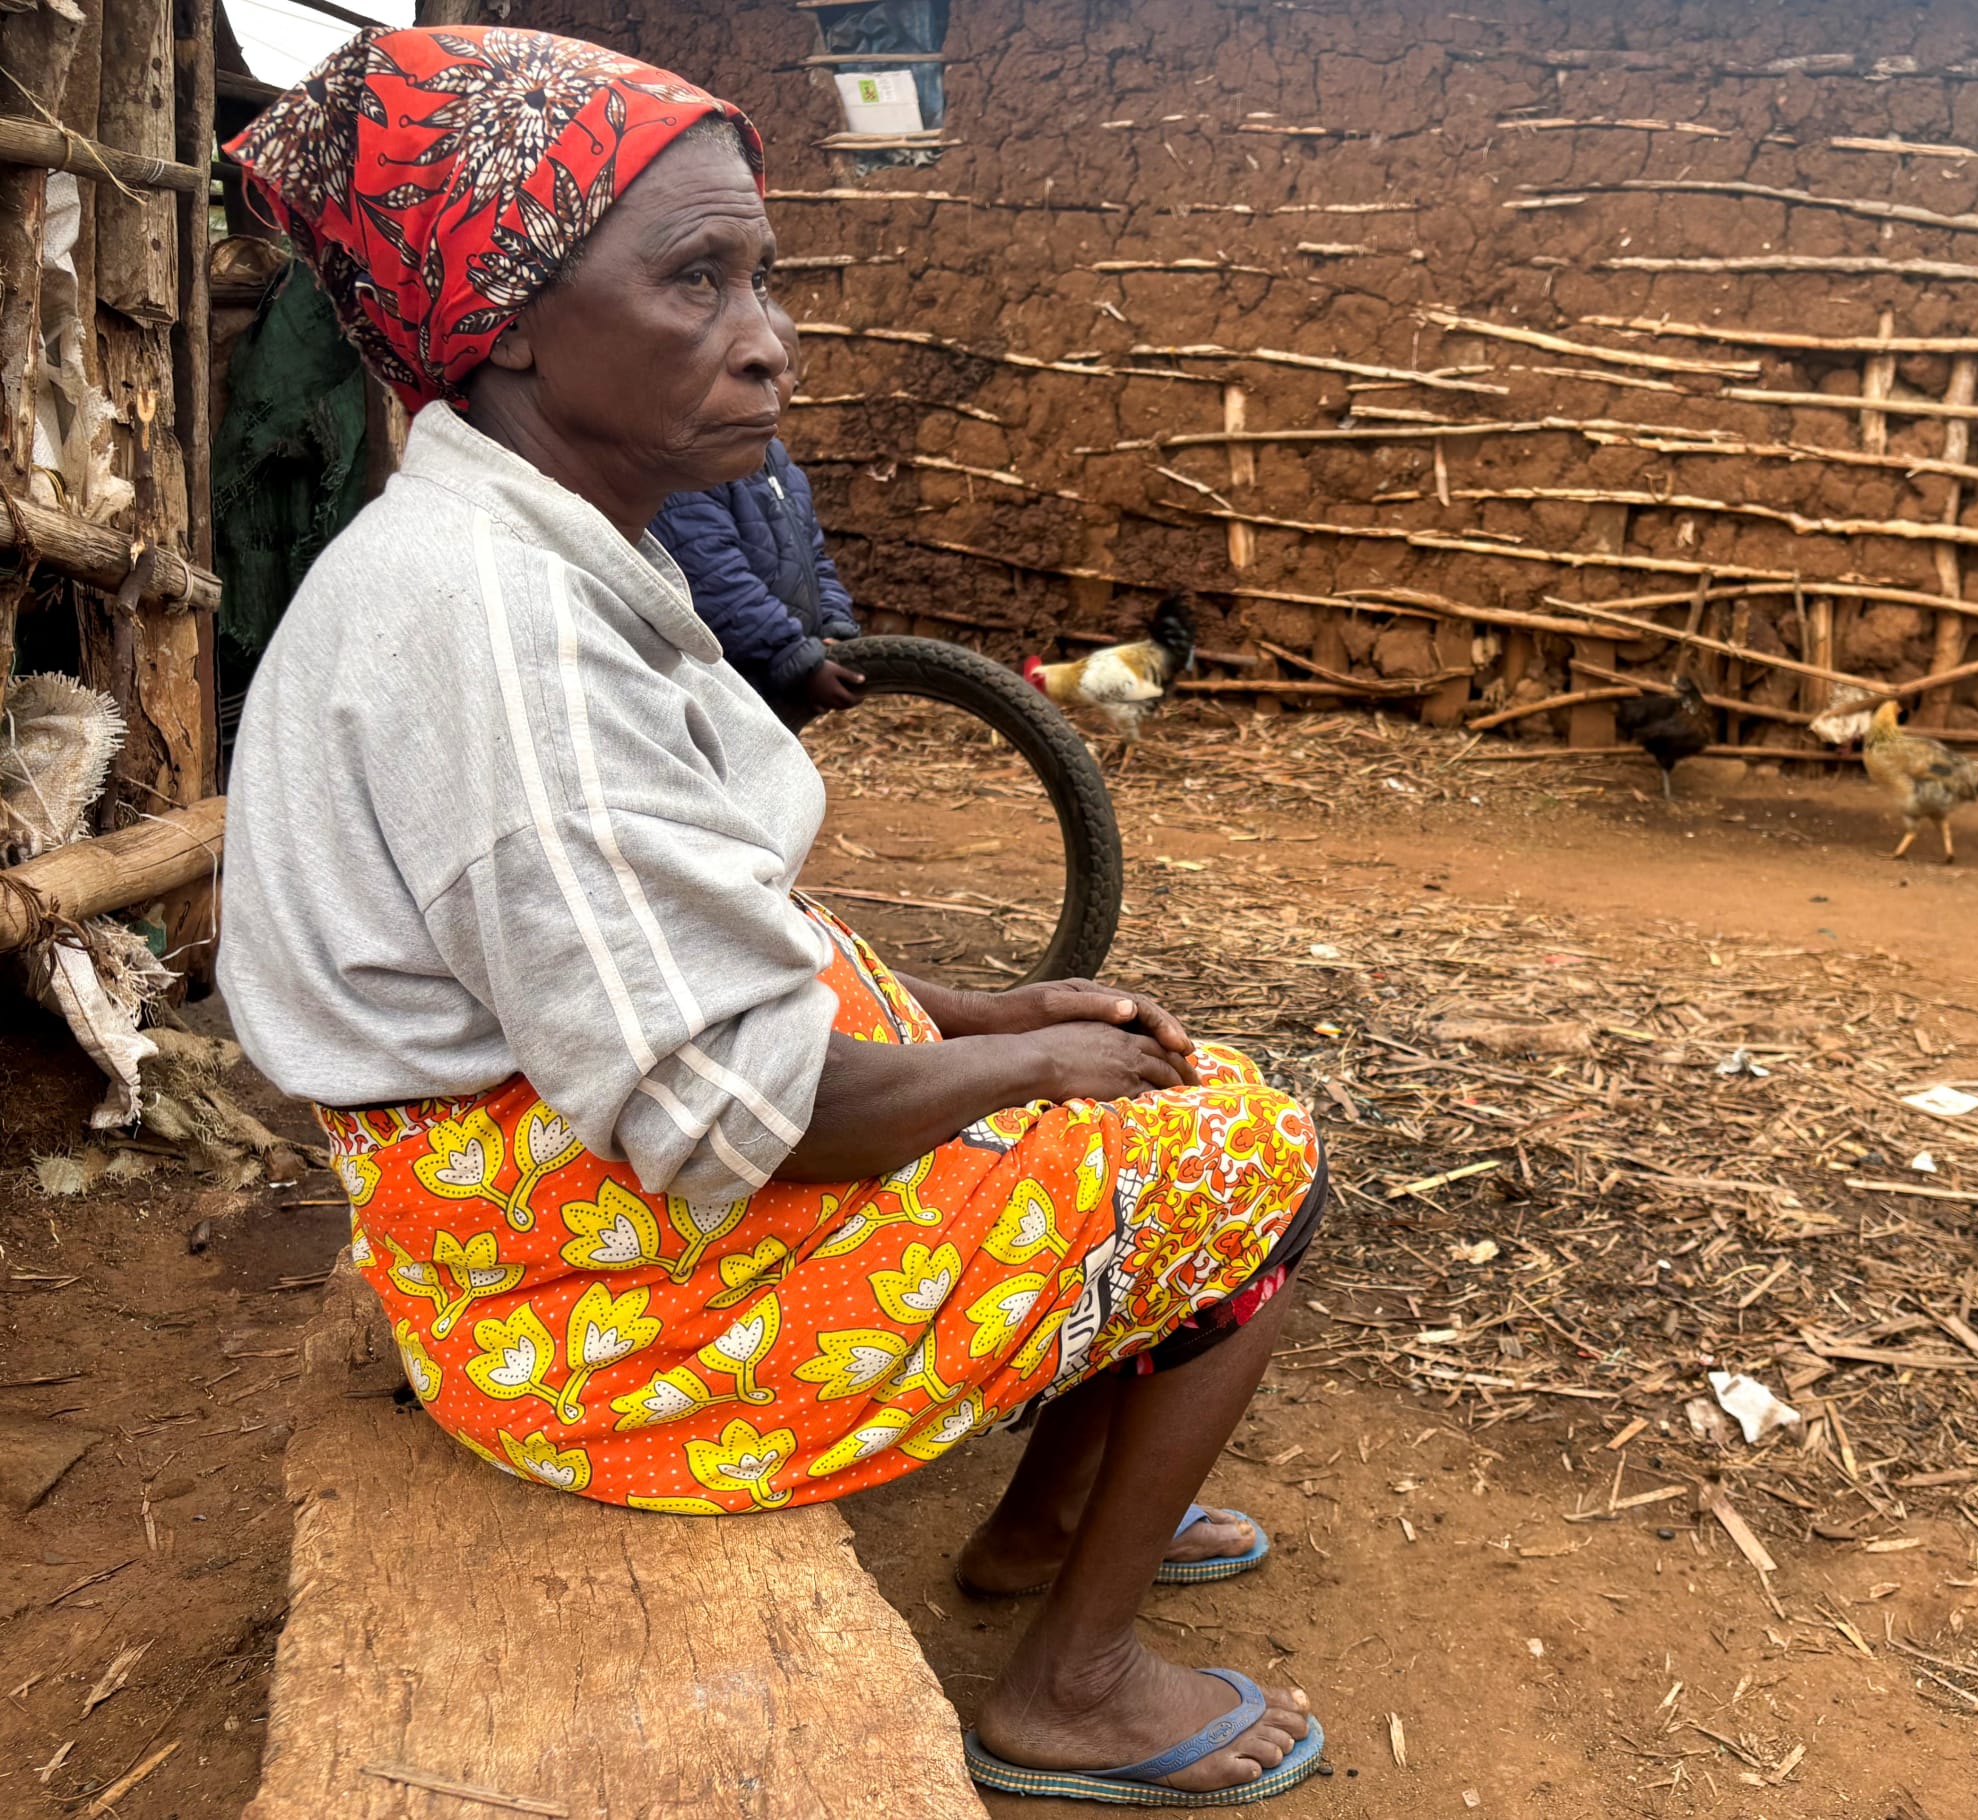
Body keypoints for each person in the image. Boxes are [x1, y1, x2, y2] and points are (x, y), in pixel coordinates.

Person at [216, 27, 1324, 1804]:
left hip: (548, 1207)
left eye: (765, 276)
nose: (768, 334)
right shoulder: (501, 637)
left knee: (1133, 1094)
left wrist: (972, 1015)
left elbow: (681, 957)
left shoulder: (540, 551)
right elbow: (757, 1111)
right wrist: (1030, 1057)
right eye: (696, 279)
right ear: (503, 322)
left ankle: (1057, 1528)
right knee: (1256, 1157)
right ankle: (1076, 1678)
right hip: (587, 1318)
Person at [648, 301, 868, 727]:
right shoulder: (692, 464)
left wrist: (835, 627)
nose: (763, 372)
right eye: (742, 358)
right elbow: (714, 579)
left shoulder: (785, 470)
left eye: (780, 363)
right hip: (726, 690)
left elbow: (816, 562)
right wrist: (795, 656)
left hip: (777, 684)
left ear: (797, 385)